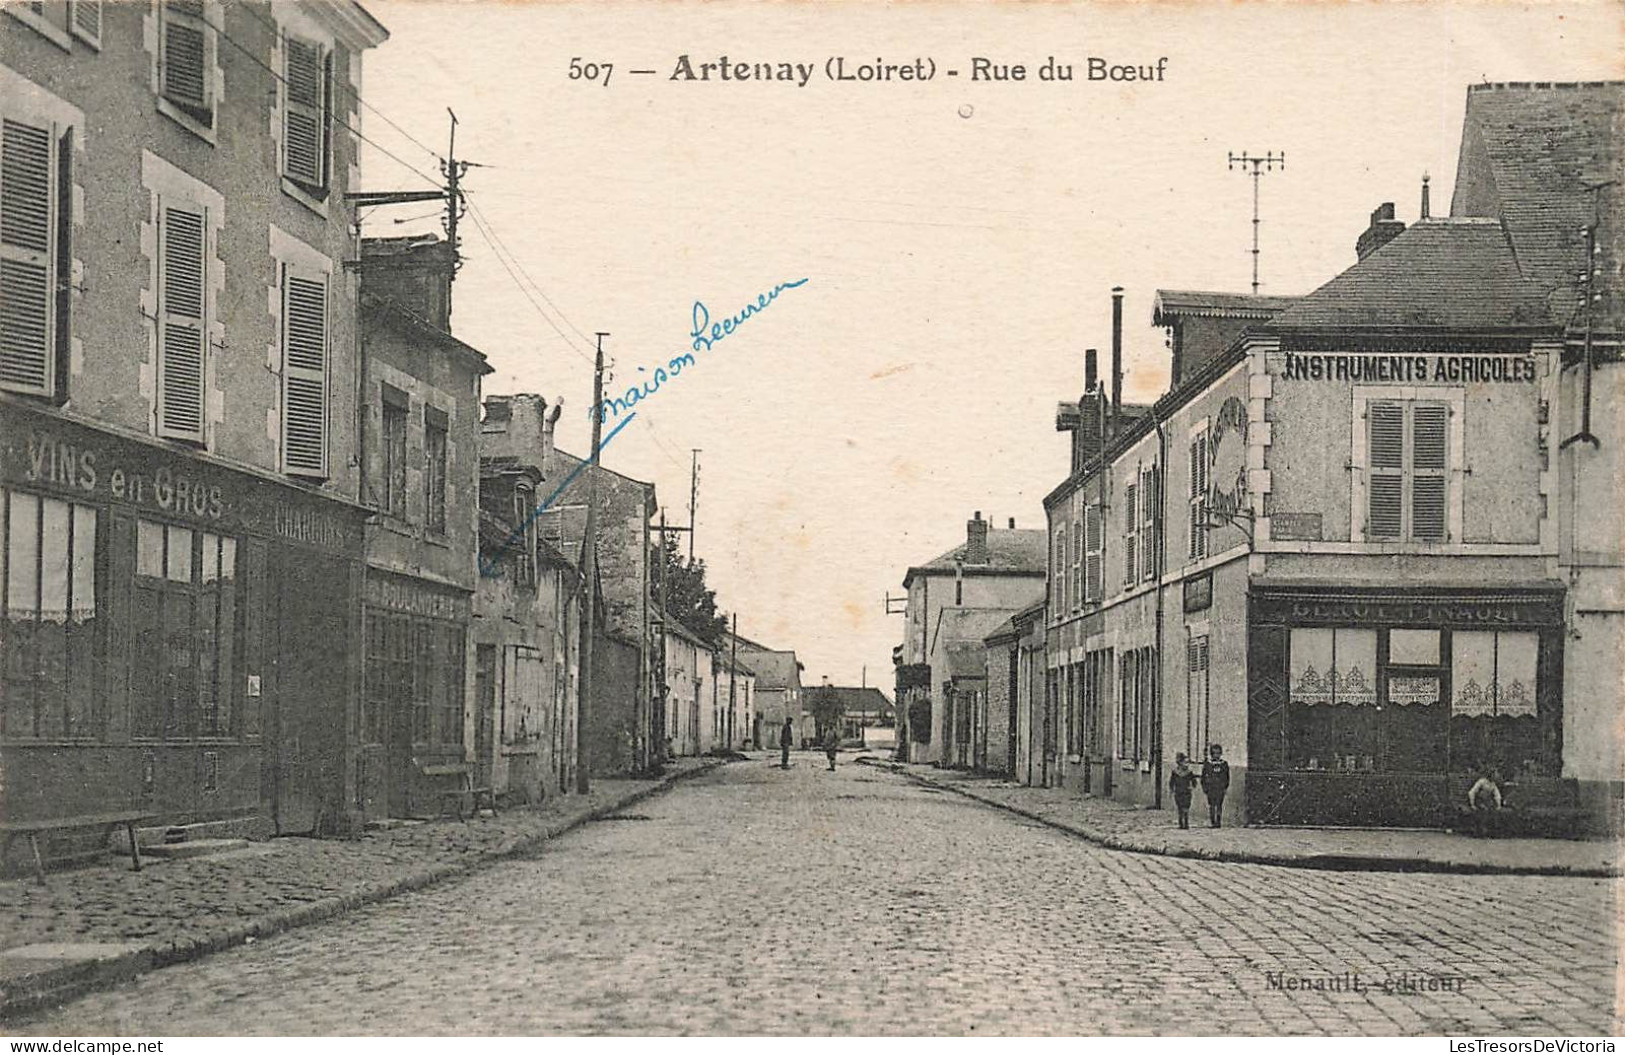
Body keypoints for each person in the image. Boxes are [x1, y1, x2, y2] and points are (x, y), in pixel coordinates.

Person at [1465, 766, 1505, 837]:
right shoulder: (1481, 782)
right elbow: (1472, 792)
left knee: (1494, 811)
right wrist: (1472, 804)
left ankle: (1493, 831)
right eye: (1494, 774)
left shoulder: (1492, 784)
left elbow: (1497, 795)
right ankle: (1481, 830)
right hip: (1478, 801)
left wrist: (1498, 805)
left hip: (1487, 801)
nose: (1495, 776)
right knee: (1484, 810)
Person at [1201, 743, 1230, 828]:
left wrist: (1225, 786)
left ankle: (1218, 821)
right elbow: (1203, 776)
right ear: (1211, 754)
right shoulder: (1208, 764)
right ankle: (1213, 821)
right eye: (1214, 753)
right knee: (1212, 805)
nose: (1216, 755)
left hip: (1220, 788)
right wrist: (1205, 787)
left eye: (1218, 753)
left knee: (1219, 805)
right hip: (1211, 788)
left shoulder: (1224, 764)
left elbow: (1226, 776)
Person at [1169, 752, 1198, 829]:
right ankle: (1181, 823)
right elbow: (1172, 782)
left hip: (1186, 792)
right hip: (1178, 792)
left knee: (1186, 807)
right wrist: (1172, 789)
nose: (1186, 764)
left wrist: (1192, 787)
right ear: (1180, 763)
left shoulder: (1189, 773)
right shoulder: (1175, 772)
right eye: (1185, 762)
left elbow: (1194, 781)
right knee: (1180, 807)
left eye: (1187, 763)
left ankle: (1186, 822)